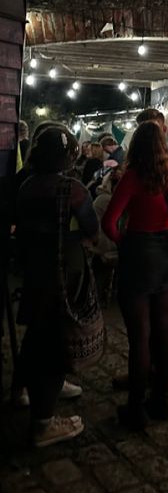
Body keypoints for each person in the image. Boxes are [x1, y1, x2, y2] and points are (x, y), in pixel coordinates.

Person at [15, 127, 99, 447]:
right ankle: (43, 422)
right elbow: (92, 228)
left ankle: (21, 390)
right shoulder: (72, 189)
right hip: (64, 272)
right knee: (53, 341)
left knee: (37, 334)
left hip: (35, 270)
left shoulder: (26, 185)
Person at [102, 121, 168, 430]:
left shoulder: (132, 178)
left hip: (138, 251)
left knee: (140, 334)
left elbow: (109, 222)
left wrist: (123, 242)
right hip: (165, 251)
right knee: (165, 325)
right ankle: (161, 400)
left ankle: (135, 409)